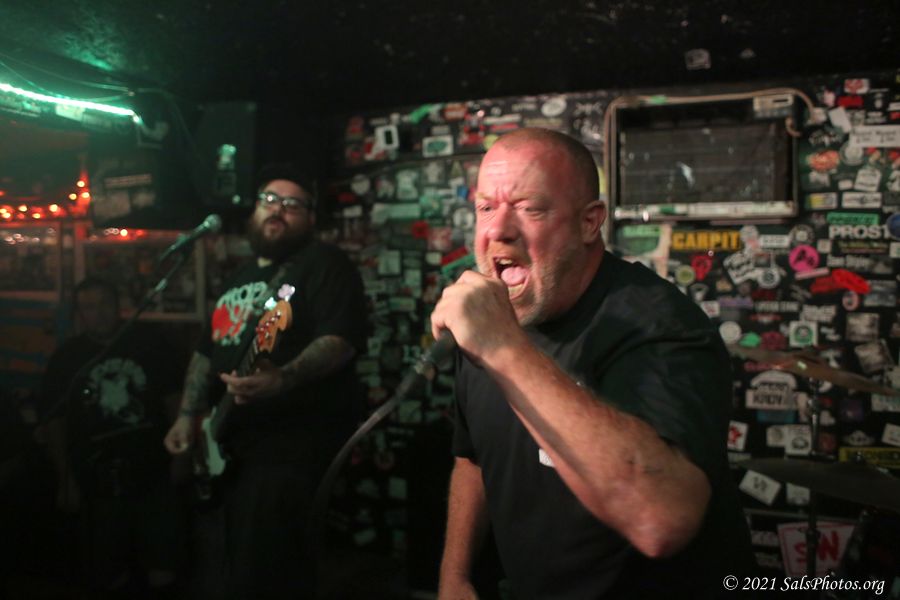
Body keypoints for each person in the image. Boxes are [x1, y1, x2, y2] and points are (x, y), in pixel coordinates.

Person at [430, 128, 755, 599]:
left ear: (589, 222)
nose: (497, 230)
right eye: (485, 208)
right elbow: (473, 457)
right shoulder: (487, 318)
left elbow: (660, 520)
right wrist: (454, 574)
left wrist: (504, 347)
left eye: (529, 208)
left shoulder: (659, 325)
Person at [164, 166, 367, 599]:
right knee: (217, 566)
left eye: (293, 204)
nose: (278, 210)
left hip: (287, 448)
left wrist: (285, 378)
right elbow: (206, 351)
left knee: (269, 572)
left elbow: (341, 340)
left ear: (310, 218)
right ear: (254, 211)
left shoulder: (322, 264)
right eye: (270, 200)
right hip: (224, 441)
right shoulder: (237, 277)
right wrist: (187, 415)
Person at [40, 277, 184, 597]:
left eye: (105, 304)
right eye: (89, 307)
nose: (99, 313)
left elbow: (175, 402)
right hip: (97, 479)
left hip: (153, 470)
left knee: (164, 563)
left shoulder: (149, 344)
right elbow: (54, 422)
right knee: (108, 568)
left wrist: (181, 457)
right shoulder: (67, 358)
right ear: (80, 314)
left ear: (118, 306)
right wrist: (66, 477)